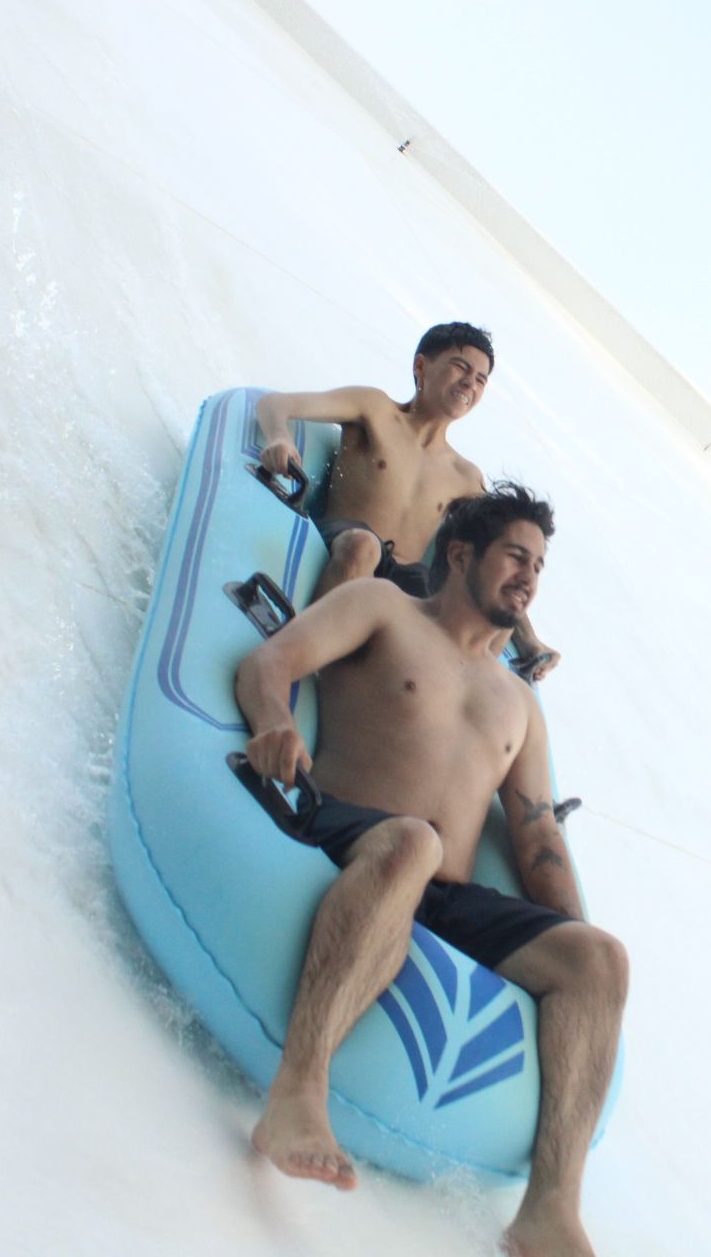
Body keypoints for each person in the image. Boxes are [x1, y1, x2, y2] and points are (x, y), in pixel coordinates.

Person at [235, 482, 625, 1257]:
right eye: (515, 556)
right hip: (350, 831)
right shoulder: (384, 608)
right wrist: (276, 724)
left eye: (539, 566)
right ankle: (297, 1094)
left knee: (601, 958)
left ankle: (548, 1211)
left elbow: (536, 838)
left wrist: (569, 932)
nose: (529, 577)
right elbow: (269, 663)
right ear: (461, 554)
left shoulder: (519, 703)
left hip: (447, 891)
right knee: (413, 842)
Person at [254, 321, 562, 680]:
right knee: (364, 545)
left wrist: (528, 639)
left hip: (406, 577)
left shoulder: (465, 476)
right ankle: (305, 665)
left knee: (475, 618)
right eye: (460, 367)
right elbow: (276, 403)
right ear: (421, 366)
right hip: (345, 542)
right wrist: (279, 438)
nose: (470, 383)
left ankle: (438, 701)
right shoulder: (375, 409)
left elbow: (493, 558)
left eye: (480, 379)